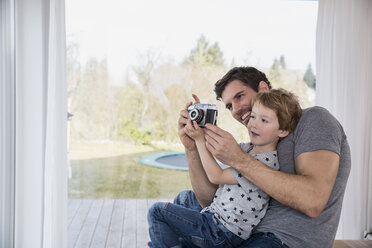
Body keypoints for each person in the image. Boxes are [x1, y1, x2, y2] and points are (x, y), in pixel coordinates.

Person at [176, 66, 351, 248]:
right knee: (184, 200)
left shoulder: (314, 119)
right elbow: (210, 200)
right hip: (242, 233)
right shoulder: (259, 144)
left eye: (239, 96)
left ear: (263, 89)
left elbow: (312, 201)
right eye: (229, 106)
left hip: (281, 240)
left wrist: (238, 159)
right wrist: (192, 148)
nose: (235, 109)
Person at [147, 89, 302, 248]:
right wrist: (201, 121)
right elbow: (214, 147)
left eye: (264, 120)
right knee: (184, 197)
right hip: (213, 217)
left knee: (157, 211)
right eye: (253, 116)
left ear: (282, 130)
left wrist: (199, 140)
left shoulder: (265, 163)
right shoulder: (246, 148)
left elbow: (217, 176)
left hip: (221, 233)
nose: (254, 124)